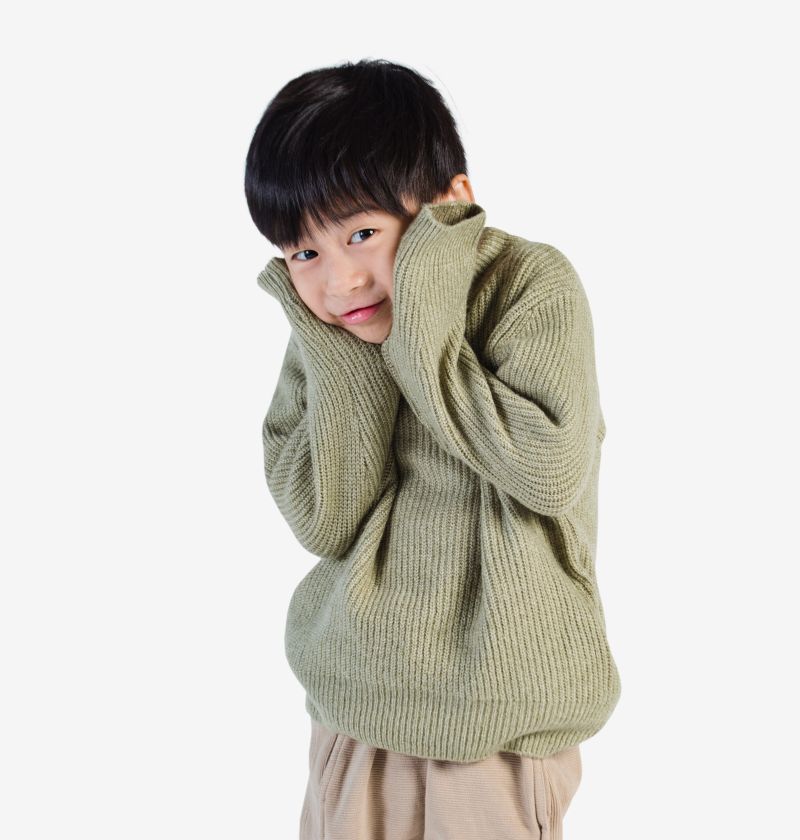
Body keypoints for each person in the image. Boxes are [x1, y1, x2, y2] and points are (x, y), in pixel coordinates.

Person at [244, 58, 621, 839]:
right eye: (304, 252)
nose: (340, 281)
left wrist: (423, 319)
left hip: (498, 726)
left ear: (449, 206)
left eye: (362, 234)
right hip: (355, 707)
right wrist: (344, 358)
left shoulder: (528, 284)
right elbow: (325, 519)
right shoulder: (329, 333)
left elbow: (547, 471)